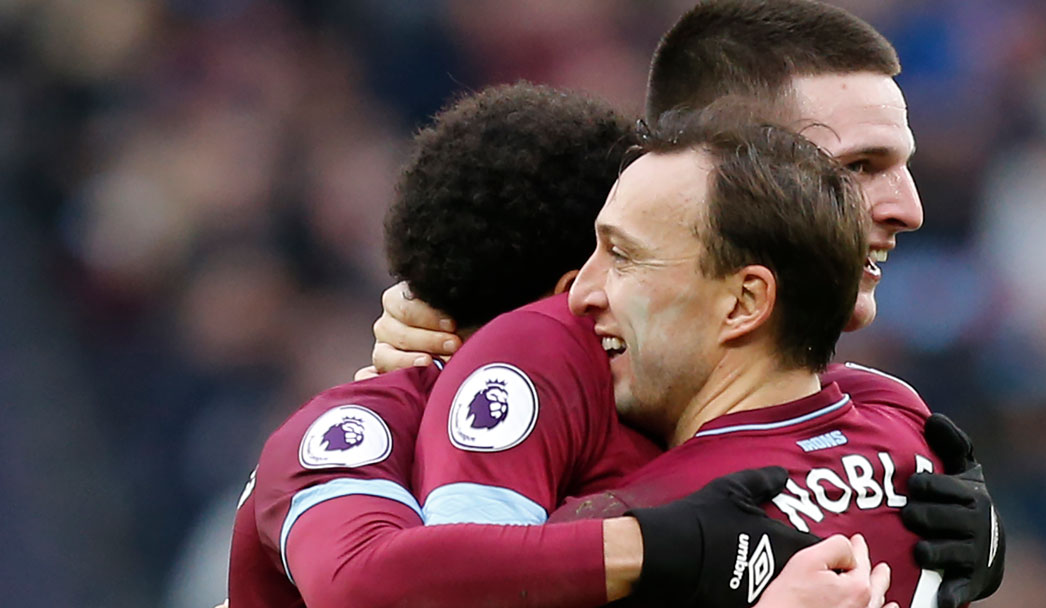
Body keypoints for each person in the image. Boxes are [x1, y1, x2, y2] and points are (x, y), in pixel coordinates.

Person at [370, 2, 1003, 606]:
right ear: (744, 165)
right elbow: (409, 583)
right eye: (859, 166)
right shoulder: (533, 364)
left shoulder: (877, 402)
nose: (908, 208)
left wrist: (975, 546)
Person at [228, 82, 893, 608]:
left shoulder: (670, 427)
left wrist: (930, 478)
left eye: (626, 256)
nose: (596, 296)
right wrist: (661, 548)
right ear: (568, 291)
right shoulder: (353, 434)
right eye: (607, 255)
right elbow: (361, 585)